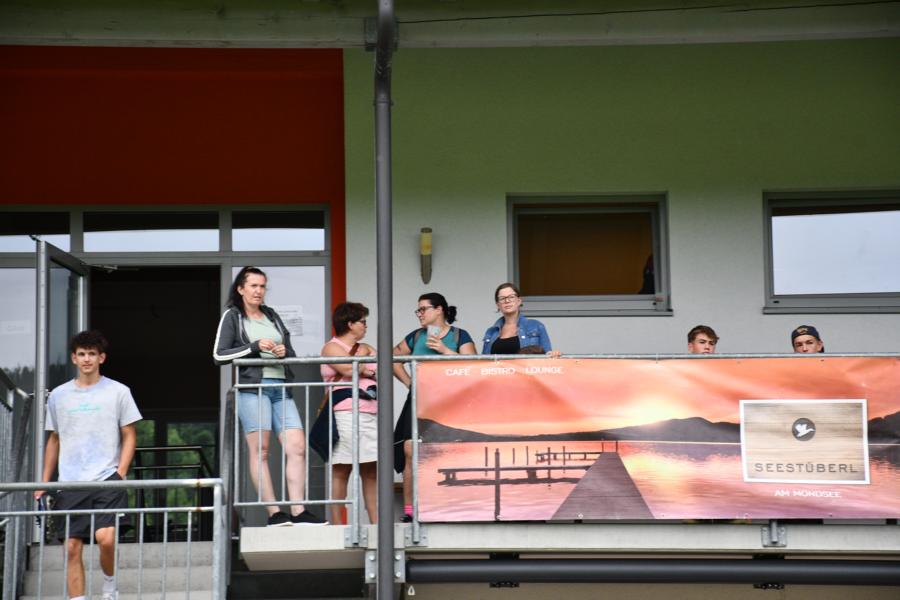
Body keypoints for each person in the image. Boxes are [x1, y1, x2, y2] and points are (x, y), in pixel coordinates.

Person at [213, 266, 324, 526]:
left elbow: (291, 352)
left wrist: (285, 352)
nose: (258, 291)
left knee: (297, 447)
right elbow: (219, 355)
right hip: (253, 389)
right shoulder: (233, 315)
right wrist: (253, 347)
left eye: (262, 286)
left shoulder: (271, 314)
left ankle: (299, 511)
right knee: (261, 451)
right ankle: (274, 513)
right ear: (240, 289)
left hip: (280, 387)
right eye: (253, 286)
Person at [36, 330, 142, 600]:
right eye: (81, 354)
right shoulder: (58, 395)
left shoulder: (119, 391)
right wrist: (44, 482)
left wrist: (120, 473)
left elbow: (130, 435)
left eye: (92, 354)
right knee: (71, 548)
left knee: (106, 539)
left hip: (107, 479)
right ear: (74, 358)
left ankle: (109, 584)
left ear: (101, 358)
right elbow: (54, 439)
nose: (86, 359)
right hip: (70, 483)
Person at [393, 292, 476, 522]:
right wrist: (409, 382)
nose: (419, 314)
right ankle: (410, 511)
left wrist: (444, 350)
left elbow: (473, 365)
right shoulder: (416, 336)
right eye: (418, 310)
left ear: (439, 309)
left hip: (449, 400)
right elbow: (393, 357)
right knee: (410, 449)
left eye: (423, 309)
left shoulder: (459, 335)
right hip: (420, 398)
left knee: (445, 451)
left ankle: (445, 507)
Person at [320, 302, 378, 524]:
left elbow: (380, 369)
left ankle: (376, 523)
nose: (366, 326)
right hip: (343, 413)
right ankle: (338, 525)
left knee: (370, 470)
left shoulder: (366, 347)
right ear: (350, 324)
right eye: (363, 322)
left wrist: (362, 365)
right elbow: (347, 369)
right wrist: (364, 364)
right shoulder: (331, 347)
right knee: (342, 469)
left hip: (369, 412)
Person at [482, 283, 554, 355]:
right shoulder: (491, 332)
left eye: (511, 297)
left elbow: (548, 356)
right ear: (498, 305)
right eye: (502, 298)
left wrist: (553, 354)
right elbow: (484, 360)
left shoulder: (536, 326)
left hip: (526, 363)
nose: (507, 301)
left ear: (519, 301)